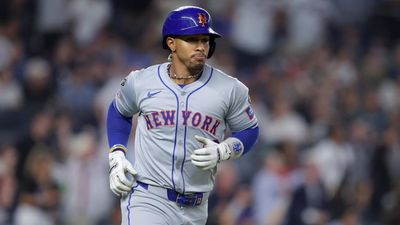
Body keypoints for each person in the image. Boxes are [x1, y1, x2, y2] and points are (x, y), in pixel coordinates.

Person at [106, 6, 259, 225]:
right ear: (172, 43)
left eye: (205, 40)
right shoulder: (141, 81)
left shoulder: (230, 88)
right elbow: (118, 111)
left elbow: (249, 129)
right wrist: (117, 155)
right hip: (148, 198)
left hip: (196, 207)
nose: (201, 47)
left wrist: (225, 149)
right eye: (192, 39)